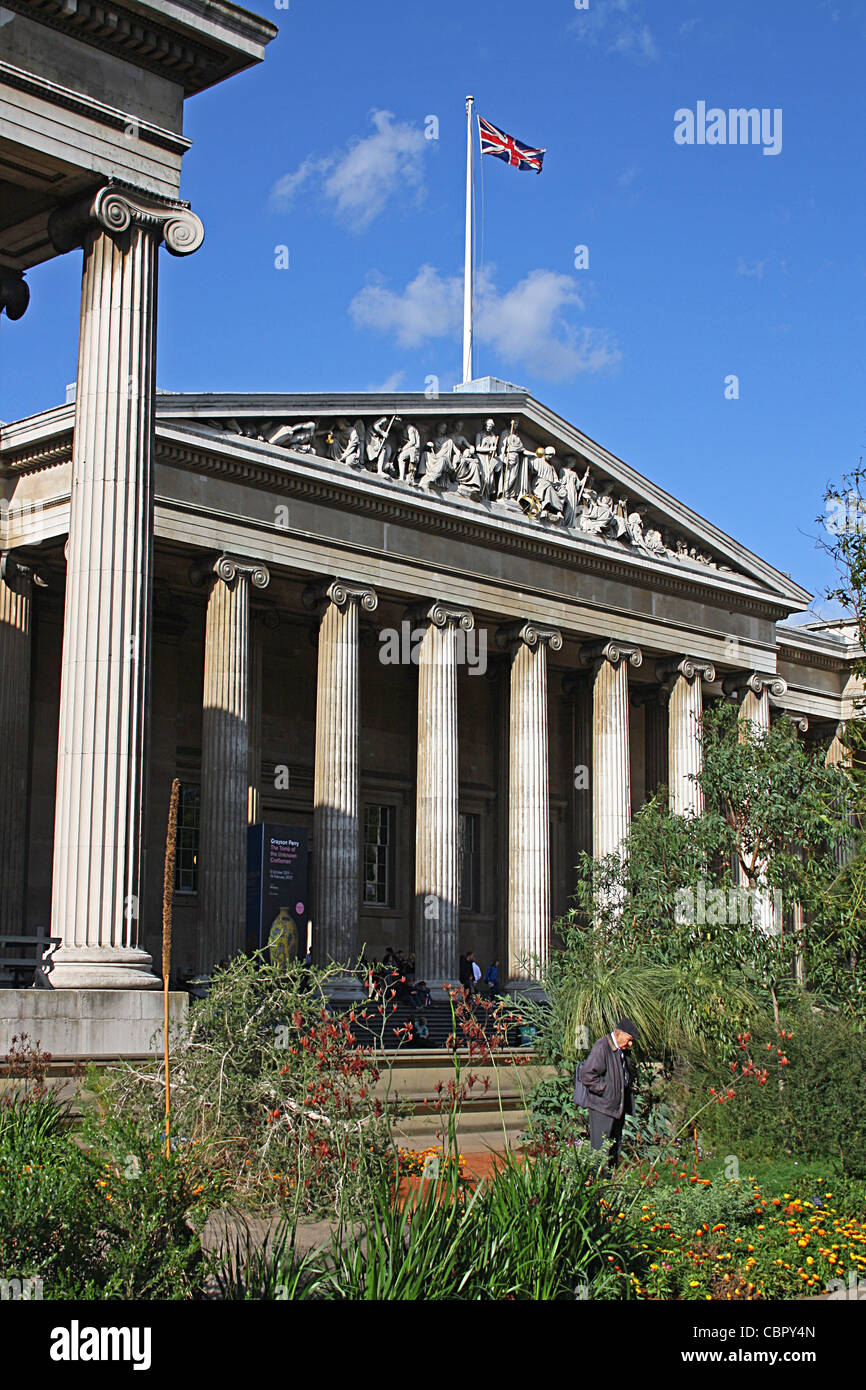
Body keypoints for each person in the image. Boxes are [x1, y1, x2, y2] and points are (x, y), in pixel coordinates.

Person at [579, 1018, 638, 1170]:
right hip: (602, 1107)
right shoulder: (602, 1047)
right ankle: (595, 1187)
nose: (630, 1044)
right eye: (629, 1040)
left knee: (613, 1150)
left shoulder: (622, 1051)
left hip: (616, 1109)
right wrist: (606, 1090)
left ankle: (609, 1183)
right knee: (600, 1151)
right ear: (619, 1034)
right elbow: (586, 1075)